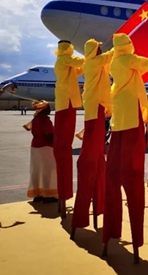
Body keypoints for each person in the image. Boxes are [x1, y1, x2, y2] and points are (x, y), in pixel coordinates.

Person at [102, 34, 148, 263]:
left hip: (118, 123)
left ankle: (110, 234)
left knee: (113, 177)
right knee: (133, 177)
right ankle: (136, 242)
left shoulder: (114, 61)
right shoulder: (128, 59)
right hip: (133, 120)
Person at [71, 39, 113, 238]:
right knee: (95, 150)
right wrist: (120, 42)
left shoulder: (89, 63)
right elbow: (111, 54)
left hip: (93, 106)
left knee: (94, 147)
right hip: (96, 107)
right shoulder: (95, 62)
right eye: (98, 48)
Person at [53, 39, 84, 216]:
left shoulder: (65, 62)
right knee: (64, 142)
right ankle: (63, 194)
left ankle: (63, 197)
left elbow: (79, 70)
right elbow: (79, 62)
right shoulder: (65, 59)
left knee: (65, 142)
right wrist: (92, 56)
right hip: (66, 102)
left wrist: (89, 64)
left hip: (67, 102)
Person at [24, 100, 57, 202]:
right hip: (46, 147)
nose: (50, 110)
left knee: (37, 170)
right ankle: (48, 195)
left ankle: (37, 194)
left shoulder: (35, 119)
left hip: (35, 146)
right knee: (48, 170)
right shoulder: (46, 121)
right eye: (48, 108)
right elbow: (49, 135)